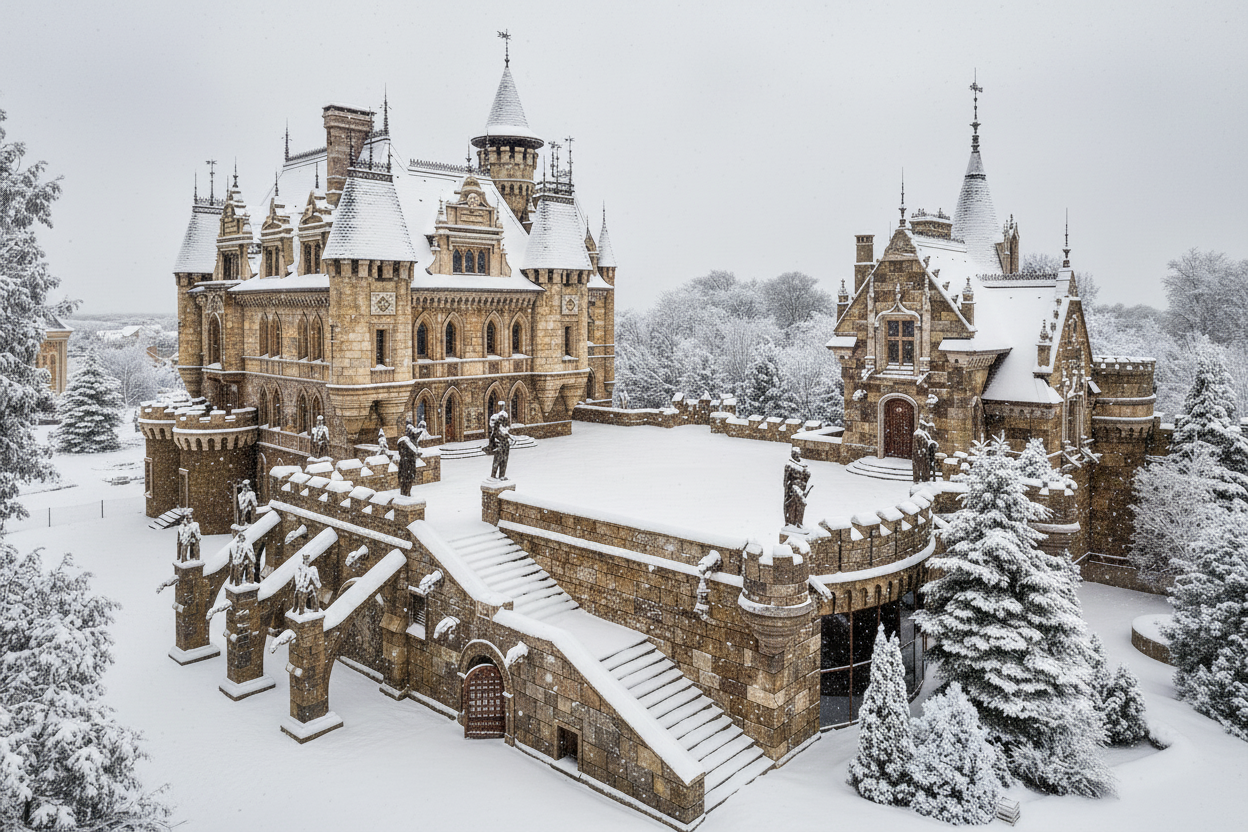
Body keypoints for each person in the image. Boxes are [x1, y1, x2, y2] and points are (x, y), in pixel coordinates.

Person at [782, 447, 811, 528]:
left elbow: (807, 477)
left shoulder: (803, 464)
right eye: (795, 454)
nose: (797, 456)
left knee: (800, 505)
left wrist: (807, 475)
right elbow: (786, 481)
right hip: (793, 489)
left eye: (798, 454)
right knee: (799, 504)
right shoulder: (789, 465)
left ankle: (799, 522)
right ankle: (792, 522)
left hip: (801, 488)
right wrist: (789, 492)